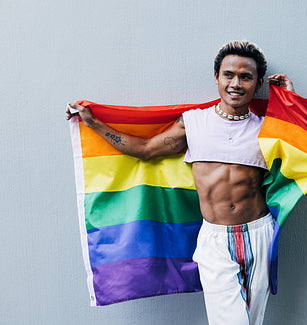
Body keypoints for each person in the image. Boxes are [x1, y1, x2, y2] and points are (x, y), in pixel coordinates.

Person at [67, 40, 294, 325]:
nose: (236, 83)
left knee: (253, 320)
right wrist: (94, 124)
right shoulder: (194, 124)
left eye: (246, 77)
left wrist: (290, 102)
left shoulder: (267, 128)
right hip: (215, 240)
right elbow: (146, 150)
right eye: (228, 75)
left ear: (258, 82)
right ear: (217, 77)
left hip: (259, 233)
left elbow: (304, 151)